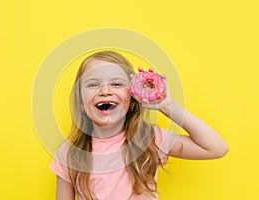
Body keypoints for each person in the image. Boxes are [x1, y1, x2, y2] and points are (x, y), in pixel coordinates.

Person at [49, 50, 229, 200]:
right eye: (93, 84)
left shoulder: (149, 139)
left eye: (116, 83)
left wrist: (168, 106)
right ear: (81, 101)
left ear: (133, 99)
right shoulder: (70, 153)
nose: (105, 91)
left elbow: (216, 148)